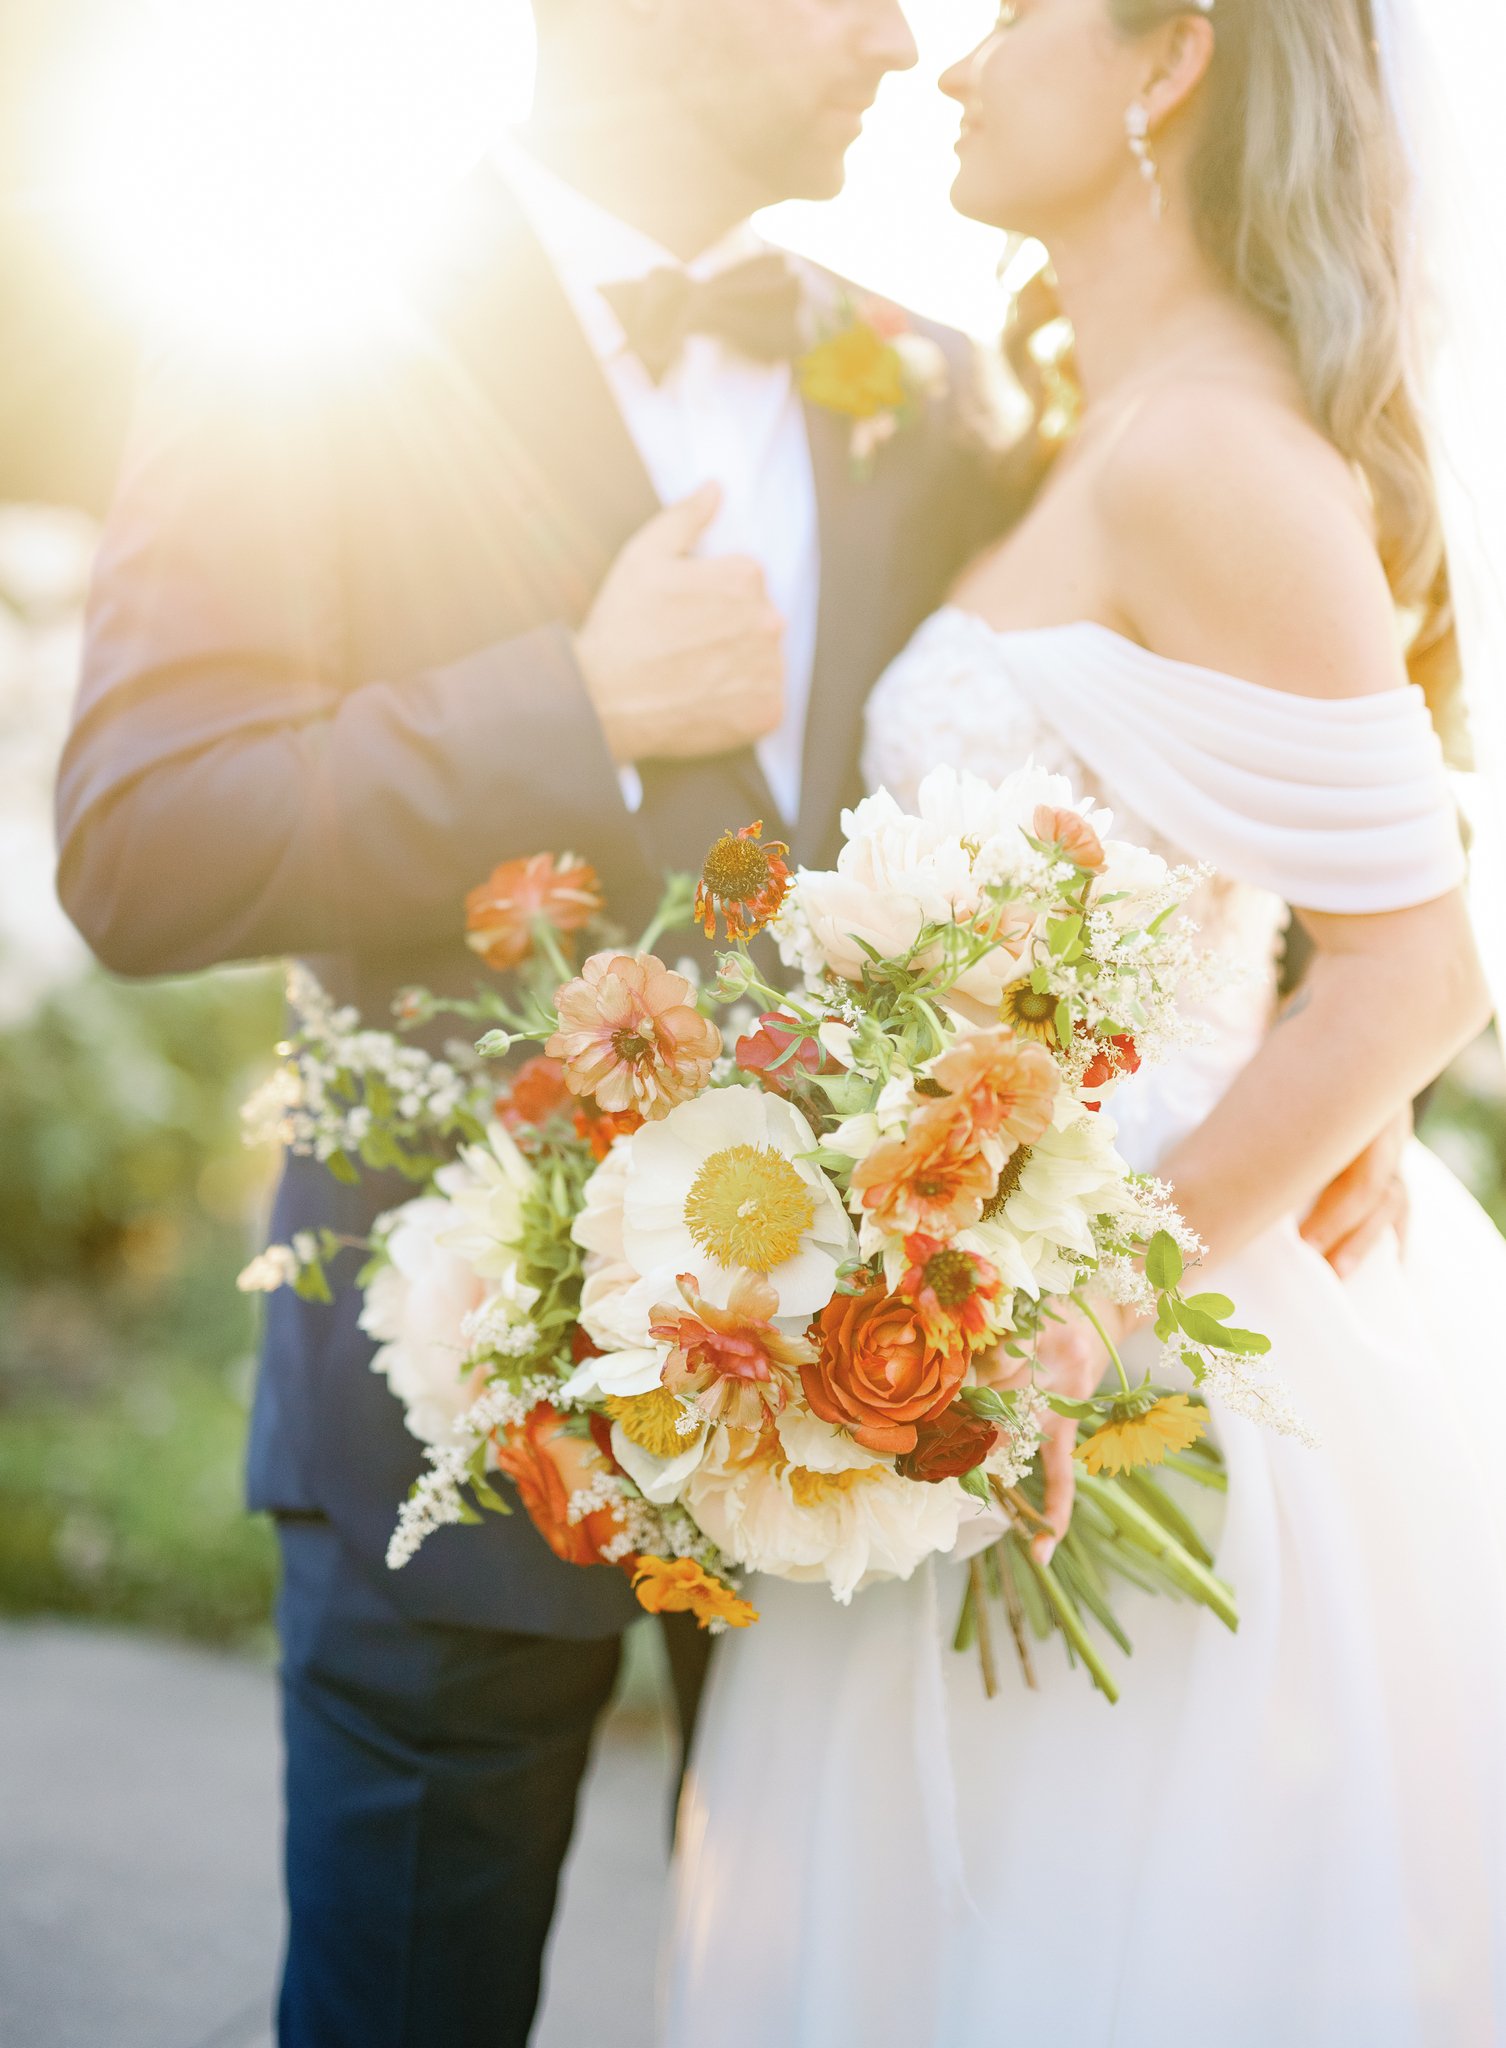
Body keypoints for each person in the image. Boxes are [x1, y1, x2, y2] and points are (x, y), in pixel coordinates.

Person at [52, 1, 996, 2040]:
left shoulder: (930, 378)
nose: (907, 41)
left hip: (856, 1410)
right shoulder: (308, 322)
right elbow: (138, 841)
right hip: (457, 1407)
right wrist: (569, 715)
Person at [663, 3, 1506, 2044]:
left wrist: (1070, 1313)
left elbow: (1424, 960)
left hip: (1149, 1367)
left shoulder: (1215, 452)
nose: (951, 68)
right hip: (978, 1328)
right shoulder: (1095, 439)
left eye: (1012, 15)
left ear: (1166, 60)